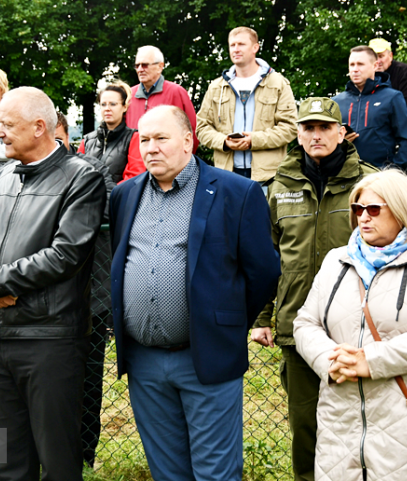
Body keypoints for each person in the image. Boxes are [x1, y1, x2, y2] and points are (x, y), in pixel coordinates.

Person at [109, 105, 280, 480]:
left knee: (215, 473)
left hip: (206, 357)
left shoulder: (237, 192)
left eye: (161, 138)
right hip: (145, 363)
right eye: (144, 139)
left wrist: (224, 322)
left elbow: (264, 272)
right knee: (167, 472)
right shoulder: (124, 196)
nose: (150, 148)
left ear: (188, 141)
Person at [0, 86, 105, 481]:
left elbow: (66, 254)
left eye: (7, 125)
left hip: (50, 340)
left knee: (57, 459)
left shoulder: (82, 178)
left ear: (40, 127)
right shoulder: (3, 175)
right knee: (4, 460)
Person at [293, 169, 407, 480]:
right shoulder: (336, 261)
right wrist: (330, 361)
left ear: (402, 210)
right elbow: (305, 323)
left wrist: (370, 361)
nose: (363, 217)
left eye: (374, 209)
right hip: (341, 427)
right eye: (357, 209)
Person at [250, 97, 376, 481]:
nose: (316, 135)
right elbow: (267, 257)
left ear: (342, 133)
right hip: (297, 325)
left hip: (358, 327)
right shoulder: (278, 187)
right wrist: (262, 316)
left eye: (325, 127)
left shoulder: (369, 182)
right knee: (305, 427)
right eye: (308, 128)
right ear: (298, 134)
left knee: (363, 425)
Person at [76, 80, 136, 466]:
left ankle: (88, 449)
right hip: (86, 245)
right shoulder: (88, 141)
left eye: (114, 104)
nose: (108, 109)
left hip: (115, 239)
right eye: (103, 104)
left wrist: (96, 176)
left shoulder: (133, 139)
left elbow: (130, 189)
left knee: (94, 368)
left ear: (125, 106)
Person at [196, 26, 298, 185]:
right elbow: (201, 127)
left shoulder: (278, 83)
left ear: (255, 47)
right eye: (232, 45)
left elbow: (290, 128)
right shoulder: (217, 87)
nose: (236, 49)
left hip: (268, 178)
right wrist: (224, 141)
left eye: (241, 44)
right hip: (227, 176)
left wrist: (254, 140)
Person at [121, 46, 199, 180]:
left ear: (160, 66)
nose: (140, 69)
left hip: (170, 171)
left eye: (145, 65)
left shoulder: (176, 92)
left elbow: (192, 131)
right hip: (135, 173)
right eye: (137, 65)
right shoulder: (129, 95)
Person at [333, 46, 407, 169]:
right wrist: (338, 143)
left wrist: (393, 170)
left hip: (379, 178)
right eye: (352, 65)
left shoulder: (392, 97)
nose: (355, 69)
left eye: (360, 64)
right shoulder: (336, 102)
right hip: (344, 176)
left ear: (375, 66)